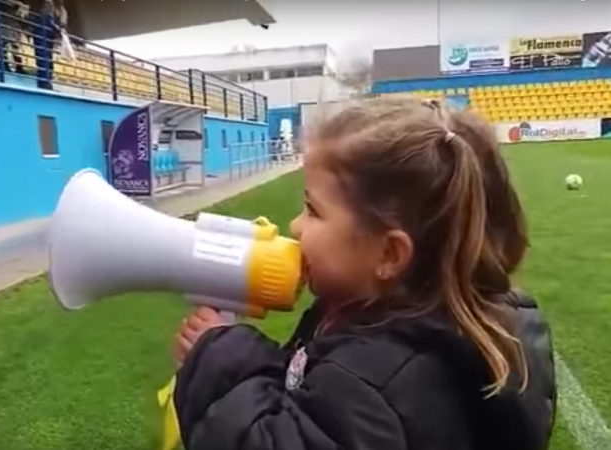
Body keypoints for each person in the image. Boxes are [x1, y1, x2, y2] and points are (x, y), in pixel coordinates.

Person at [172, 98, 557, 450]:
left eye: (313, 210)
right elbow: (312, 408)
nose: (295, 225)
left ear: (389, 255)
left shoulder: (377, 384)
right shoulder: (370, 316)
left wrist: (218, 357)